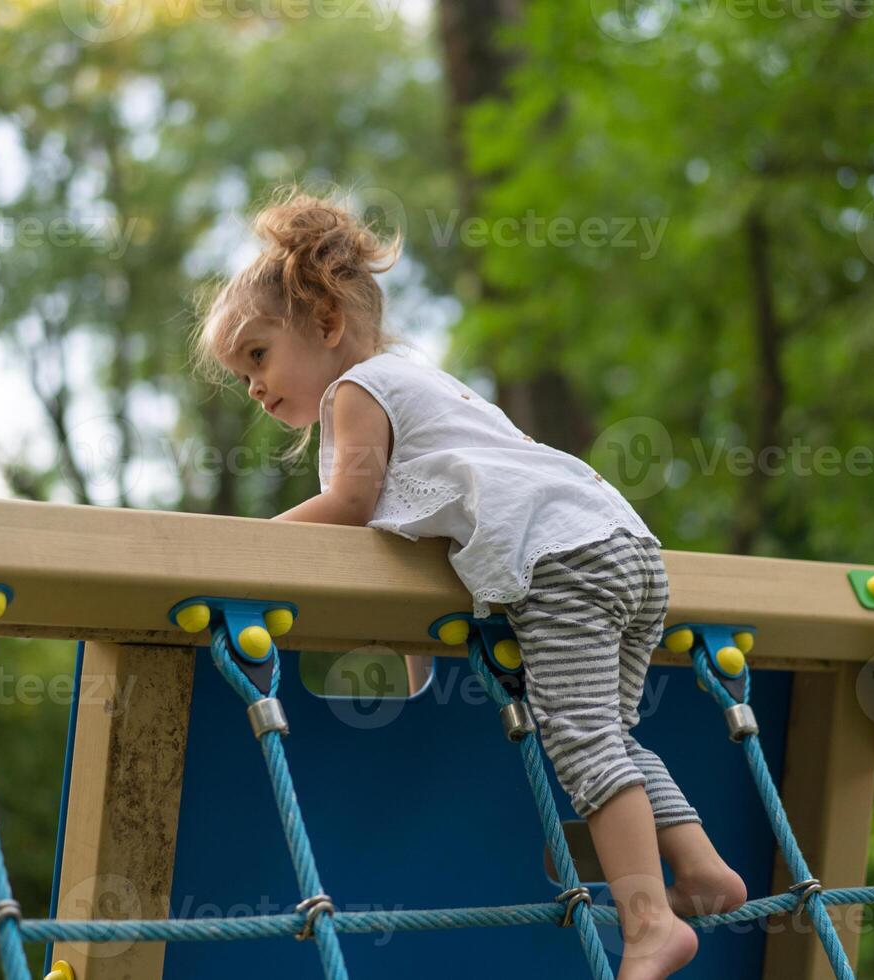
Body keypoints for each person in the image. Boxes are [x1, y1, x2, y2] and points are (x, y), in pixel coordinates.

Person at [190, 184, 746, 978]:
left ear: (325, 323)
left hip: (563, 561)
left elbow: (349, 505)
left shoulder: (358, 392)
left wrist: (244, 548)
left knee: (582, 741)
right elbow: (428, 556)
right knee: (609, 734)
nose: (252, 384)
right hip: (622, 543)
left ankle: (650, 920)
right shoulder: (425, 385)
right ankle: (700, 865)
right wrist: (420, 666)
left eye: (257, 355)